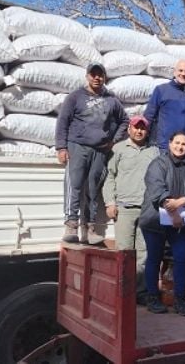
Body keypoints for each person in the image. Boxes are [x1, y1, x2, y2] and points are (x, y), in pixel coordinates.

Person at [56, 62, 129, 244]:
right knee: (75, 184)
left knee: (92, 187)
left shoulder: (111, 100)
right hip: (78, 146)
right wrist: (61, 147)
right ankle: (71, 224)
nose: (96, 78)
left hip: (100, 150)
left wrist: (113, 140)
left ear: (105, 78)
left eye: (100, 75)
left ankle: (89, 227)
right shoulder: (75, 97)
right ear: (87, 76)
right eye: (93, 74)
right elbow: (63, 121)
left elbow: (125, 121)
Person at [140, 131, 185, 316]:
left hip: (181, 220)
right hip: (154, 220)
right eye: (177, 143)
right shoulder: (157, 164)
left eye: (184, 144)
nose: (180, 147)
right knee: (154, 258)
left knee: (182, 257)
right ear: (169, 143)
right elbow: (157, 191)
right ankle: (153, 298)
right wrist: (173, 211)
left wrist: (181, 201)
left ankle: (180, 300)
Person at [102, 115, 159, 304]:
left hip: (147, 209)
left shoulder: (154, 151)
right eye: (136, 127)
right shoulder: (118, 150)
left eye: (143, 128)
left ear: (147, 131)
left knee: (143, 253)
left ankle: (140, 293)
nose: (139, 131)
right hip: (124, 209)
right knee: (124, 253)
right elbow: (110, 177)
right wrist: (110, 202)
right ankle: (123, 294)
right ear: (129, 129)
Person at [144, 59, 185, 158]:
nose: (183, 74)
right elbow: (149, 116)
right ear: (174, 72)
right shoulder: (161, 90)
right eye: (180, 70)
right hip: (165, 146)